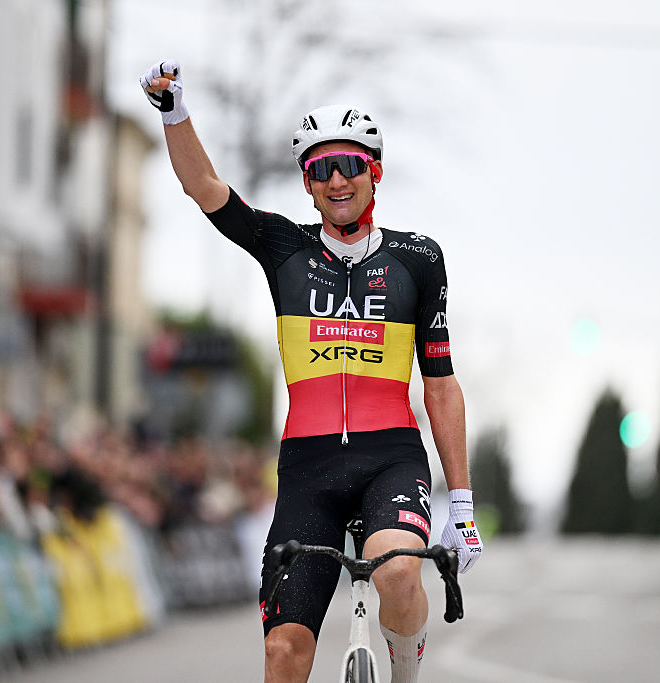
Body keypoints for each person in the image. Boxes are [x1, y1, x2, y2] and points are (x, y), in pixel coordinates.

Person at [139, 59, 484, 683]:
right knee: (282, 653)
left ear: (373, 174)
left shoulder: (418, 259)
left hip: (392, 460)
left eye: (350, 164)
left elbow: (439, 382)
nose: (337, 179)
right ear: (308, 183)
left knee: (400, 570)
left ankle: (404, 670)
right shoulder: (285, 248)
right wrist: (174, 113)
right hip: (308, 469)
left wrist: (460, 502)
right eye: (321, 169)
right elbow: (204, 188)